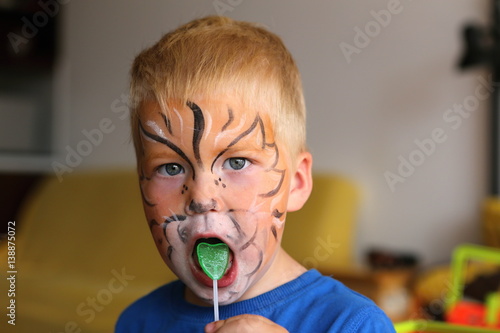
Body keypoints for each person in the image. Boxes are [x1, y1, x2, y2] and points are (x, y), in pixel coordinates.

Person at [116, 15, 396, 333]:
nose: (202, 197)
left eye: (237, 163)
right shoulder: (136, 322)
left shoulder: (353, 323)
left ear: (297, 183)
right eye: (171, 168)